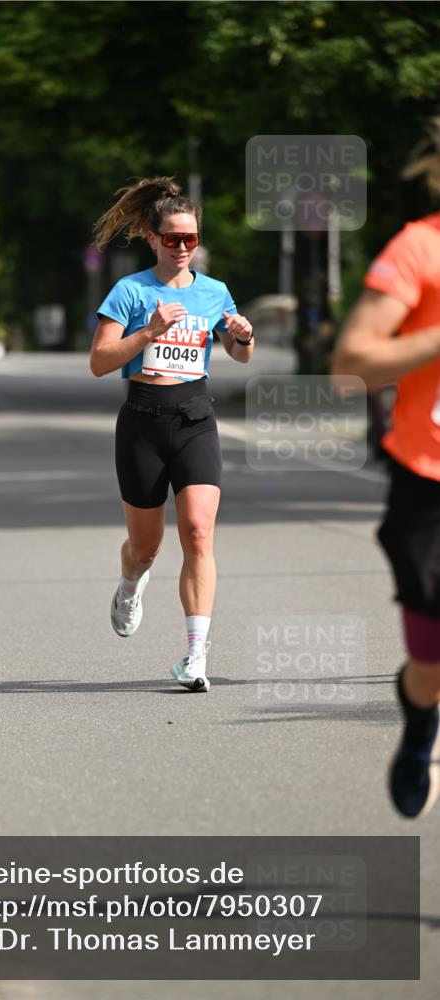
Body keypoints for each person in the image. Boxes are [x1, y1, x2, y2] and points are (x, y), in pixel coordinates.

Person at [90, 177, 254, 692]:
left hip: (195, 418)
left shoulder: (215, 291)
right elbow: (99, 362)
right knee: (146, 548)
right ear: (153, 238)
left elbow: (236, 352)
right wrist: (148, 332)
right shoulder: (131, 291)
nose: (181, 248)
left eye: (190, 239)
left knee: (199, 534)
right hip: (142, 420)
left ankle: (195, 655)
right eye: (172, 238)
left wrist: (244, 337)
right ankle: (130, 584)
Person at [332, 119, 440, 818]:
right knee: (429, 661)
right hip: (428, 477)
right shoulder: (419, 248)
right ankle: (418, 723)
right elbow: (350, 365)